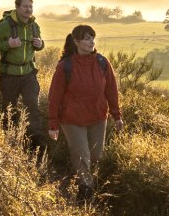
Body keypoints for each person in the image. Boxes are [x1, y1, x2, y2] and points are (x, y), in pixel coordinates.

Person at [48, 24, 123, 203]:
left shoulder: (102, 62)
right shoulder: (65, 66)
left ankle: (81, 179)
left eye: (92, 38)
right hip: (72, 119)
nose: (91, 42)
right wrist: (53, 124)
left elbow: (111, 90)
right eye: (87, 38)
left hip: (97, 116)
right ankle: (86, 194)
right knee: (82, 156)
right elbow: (54, 96)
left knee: (97, 155)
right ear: (76, 41)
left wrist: (117, 115)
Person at [0, 0, 48, 158]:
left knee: (33, 109)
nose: (28, 10)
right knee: (9, 110)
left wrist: (40, 44)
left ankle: (38, 150)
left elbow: (40, 44)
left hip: (29, 74)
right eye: (25, 6)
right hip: (9, 75)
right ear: (17, 8)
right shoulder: (6, 25)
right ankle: (9, 144)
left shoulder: (34, 26)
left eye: (31, 7)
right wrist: (8, 44)